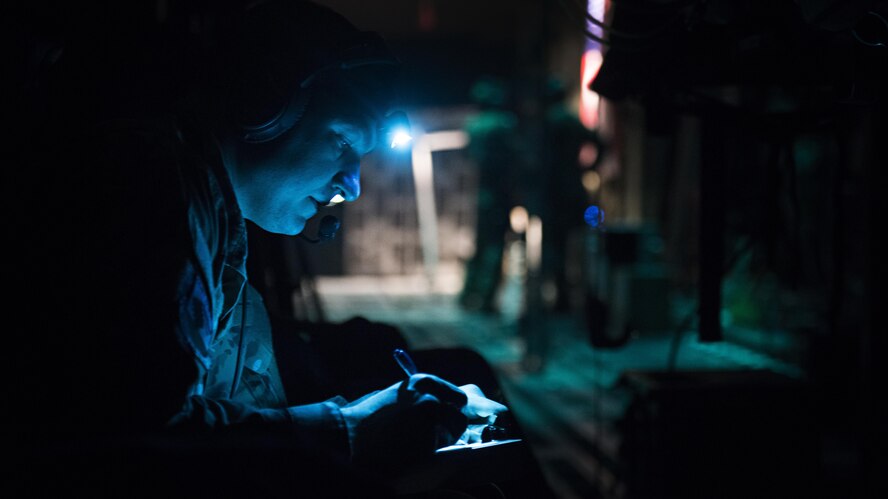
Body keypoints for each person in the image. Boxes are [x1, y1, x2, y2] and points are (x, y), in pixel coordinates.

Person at [7, 1, 551, 496]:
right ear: (266, 105)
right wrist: (352, 427)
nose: (352, 187)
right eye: (342, 142)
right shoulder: (152, 188)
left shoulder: (207, 202)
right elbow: (146, 445)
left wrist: (368, 414)